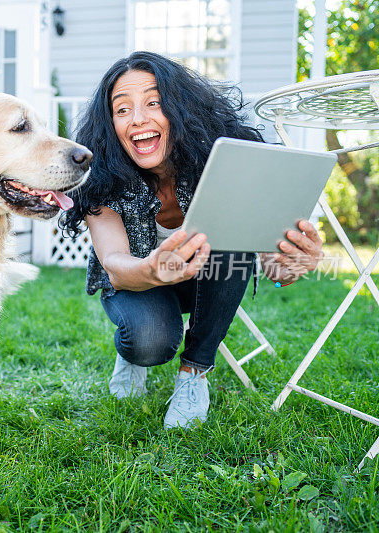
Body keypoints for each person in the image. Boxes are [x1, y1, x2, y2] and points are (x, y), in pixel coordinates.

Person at [61, 51, 323, 429]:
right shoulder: (101, 178)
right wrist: (153, 269)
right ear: (110, 124)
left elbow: (265, 259)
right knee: (151, 342)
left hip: (206, 278)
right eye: (122, 110)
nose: (138, 119)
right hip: (137, 283)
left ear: (180, 110)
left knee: (230, 240)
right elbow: (116, 265)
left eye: (154, 103)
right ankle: (132, 355)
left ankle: (194, 373)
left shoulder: (223, 160)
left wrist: (288, 267)